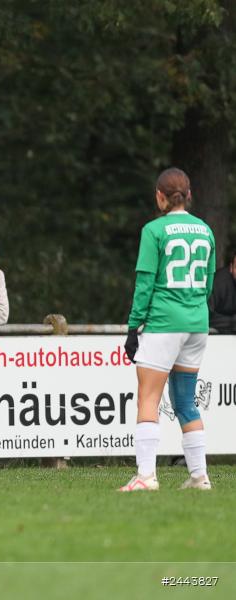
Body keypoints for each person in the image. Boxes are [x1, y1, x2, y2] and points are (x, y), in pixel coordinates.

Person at [121, 167, 215, 492]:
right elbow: (209, 283)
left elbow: (145, 282)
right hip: (197, 322)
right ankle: (199, 476)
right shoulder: (205, 230)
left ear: (159, 196)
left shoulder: (154, 230)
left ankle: (146, 476)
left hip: (164, 322)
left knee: (148, 397)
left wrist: (134, 327)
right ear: (189, 196)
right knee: (187, 401)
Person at [208, 250, 236, 334]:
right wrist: (233, 322)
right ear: (231, 268)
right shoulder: (218, 283)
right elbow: (205, 317)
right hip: (217, 334)